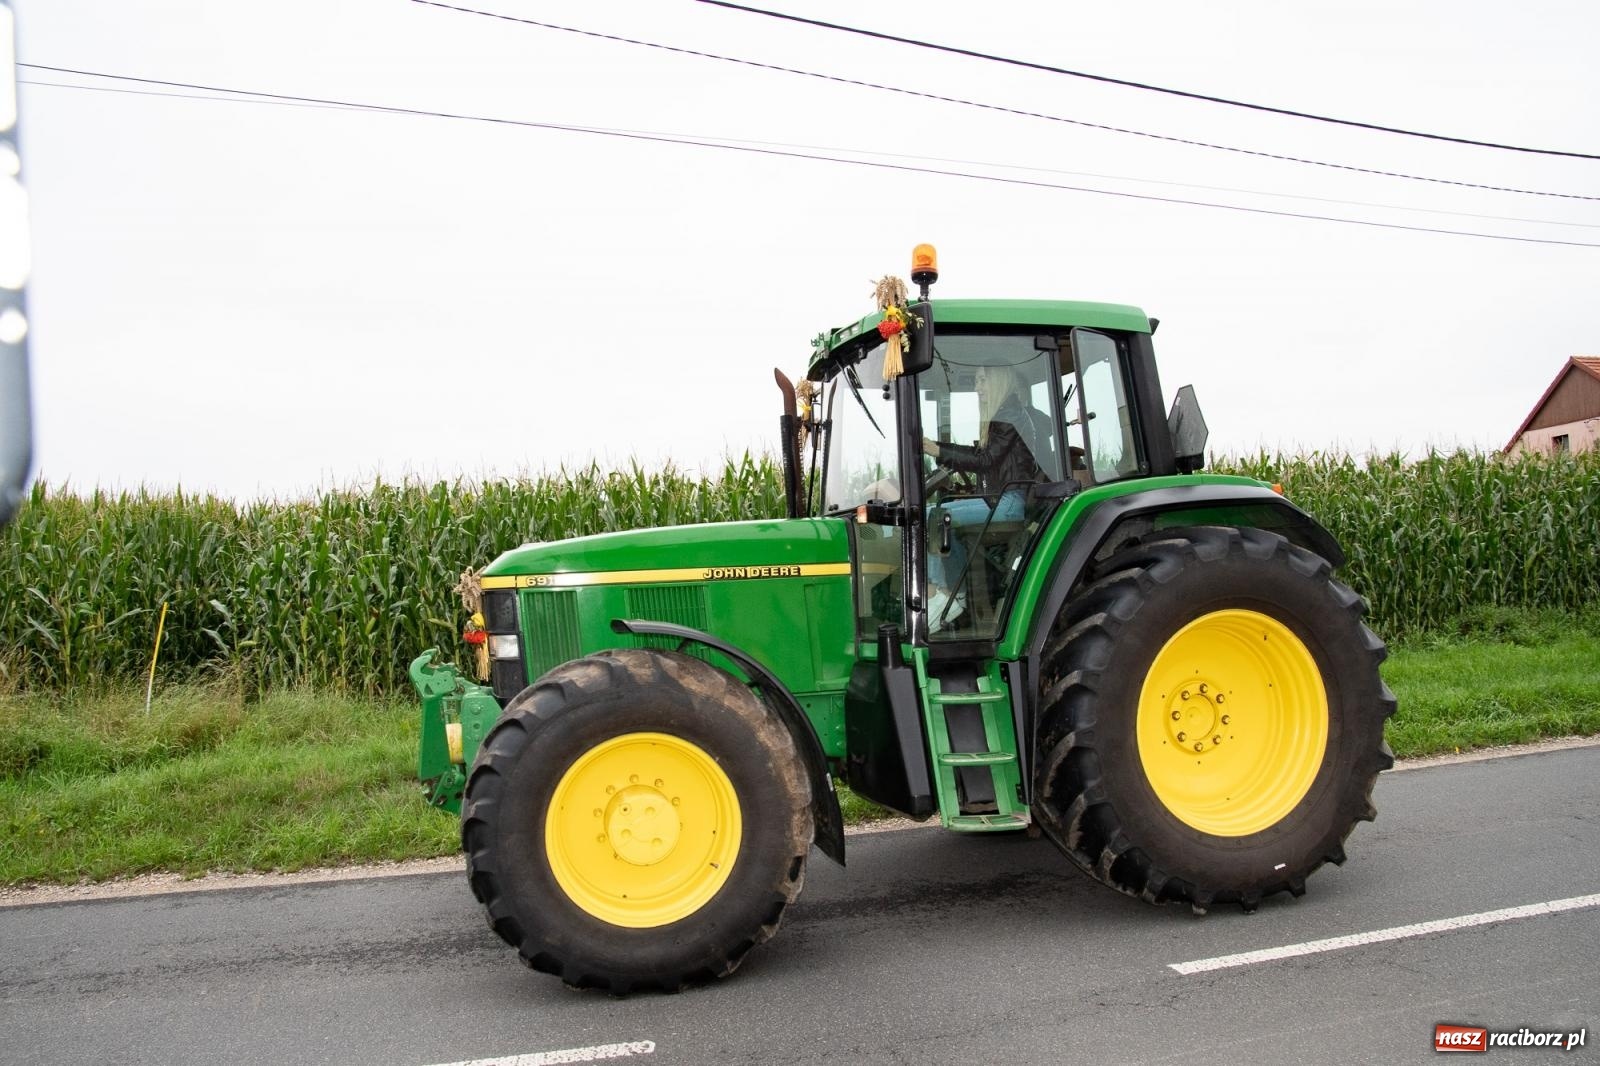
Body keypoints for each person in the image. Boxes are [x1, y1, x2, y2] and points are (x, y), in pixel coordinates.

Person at [921, 363, 1049, 629]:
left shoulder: (1009, 415)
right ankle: (955, 593)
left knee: (935, 515)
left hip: (1008, 502)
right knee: (942, 518)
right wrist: (939, 448)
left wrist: (938, 451)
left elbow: (985, 460)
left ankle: (941, 591)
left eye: (981, 381)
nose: (977, 388)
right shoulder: (1003, 414)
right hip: (997, 498)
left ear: (997, 381)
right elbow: (982, 455)